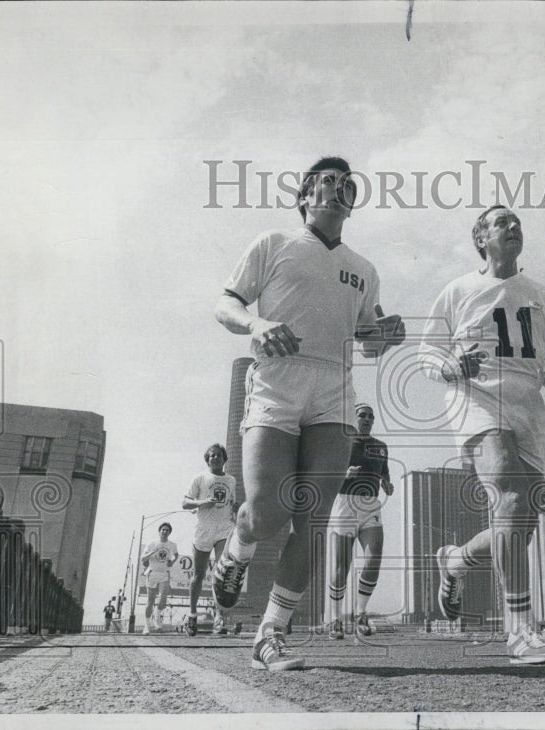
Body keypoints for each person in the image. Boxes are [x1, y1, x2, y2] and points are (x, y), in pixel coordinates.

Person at [213, 156, 405, 671]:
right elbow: (226, 304)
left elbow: (369, 339)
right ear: (304, 195)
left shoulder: (365, 270)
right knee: (265, 512)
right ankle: (235, 552)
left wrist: (385, 336)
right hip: (277, 383)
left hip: (333, 393)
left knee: (313, 520)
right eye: (328, 182)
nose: (339, 190)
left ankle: (270, 634)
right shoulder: (273, 244)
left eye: (348, 186)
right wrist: (255, 326)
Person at [418, 206, 545, 665]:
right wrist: (451, 366)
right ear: (480, 240)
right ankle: (520, 631)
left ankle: (454, 562)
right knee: (507, 493)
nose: (512, 227)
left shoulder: (541, 294)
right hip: (477, 400)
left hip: (529, 406)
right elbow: (428, 353)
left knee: (518, 526)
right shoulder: (459, 290)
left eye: (517, 223)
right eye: (500, 223)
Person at [324, 403, 393, 639]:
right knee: (342, 567)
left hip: (371, 505)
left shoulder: (381, 447)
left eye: (370, 416)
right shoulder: (341, 443)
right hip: (345, 503)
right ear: (353, 418)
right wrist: (343, 475)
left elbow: (384, 472)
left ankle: (361, 614)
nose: (367, 419)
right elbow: (325, 475)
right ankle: (334, 619)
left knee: (373, 559)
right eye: (362, 415)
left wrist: (387, 483)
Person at [182, 443, 238, 636]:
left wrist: (239, 513)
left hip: (224, 529)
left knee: (222, 573)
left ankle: (219, 618)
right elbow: (185, 503)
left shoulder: (231, 480)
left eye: (218, 455)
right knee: (198, 575)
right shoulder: (200, 478)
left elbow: (232, 503)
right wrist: (203, 502)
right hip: (204, 530)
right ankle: (192, 614)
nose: (215, 458)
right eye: (212, 456)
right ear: (208, 459)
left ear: (224, 459)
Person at [141, 523, 178, 634]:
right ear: (159, 531)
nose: (165, 531)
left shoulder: (172, 544)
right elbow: (143, 559)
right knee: (150, 601)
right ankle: (147, 625)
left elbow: (176, 554)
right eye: (163, 529)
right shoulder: (152, 543)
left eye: (167, 530)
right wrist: (151, 553)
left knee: (163, 598)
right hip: (152, 573)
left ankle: (157, 618)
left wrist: (172, 561)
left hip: (164, 573)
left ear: (169, 532)